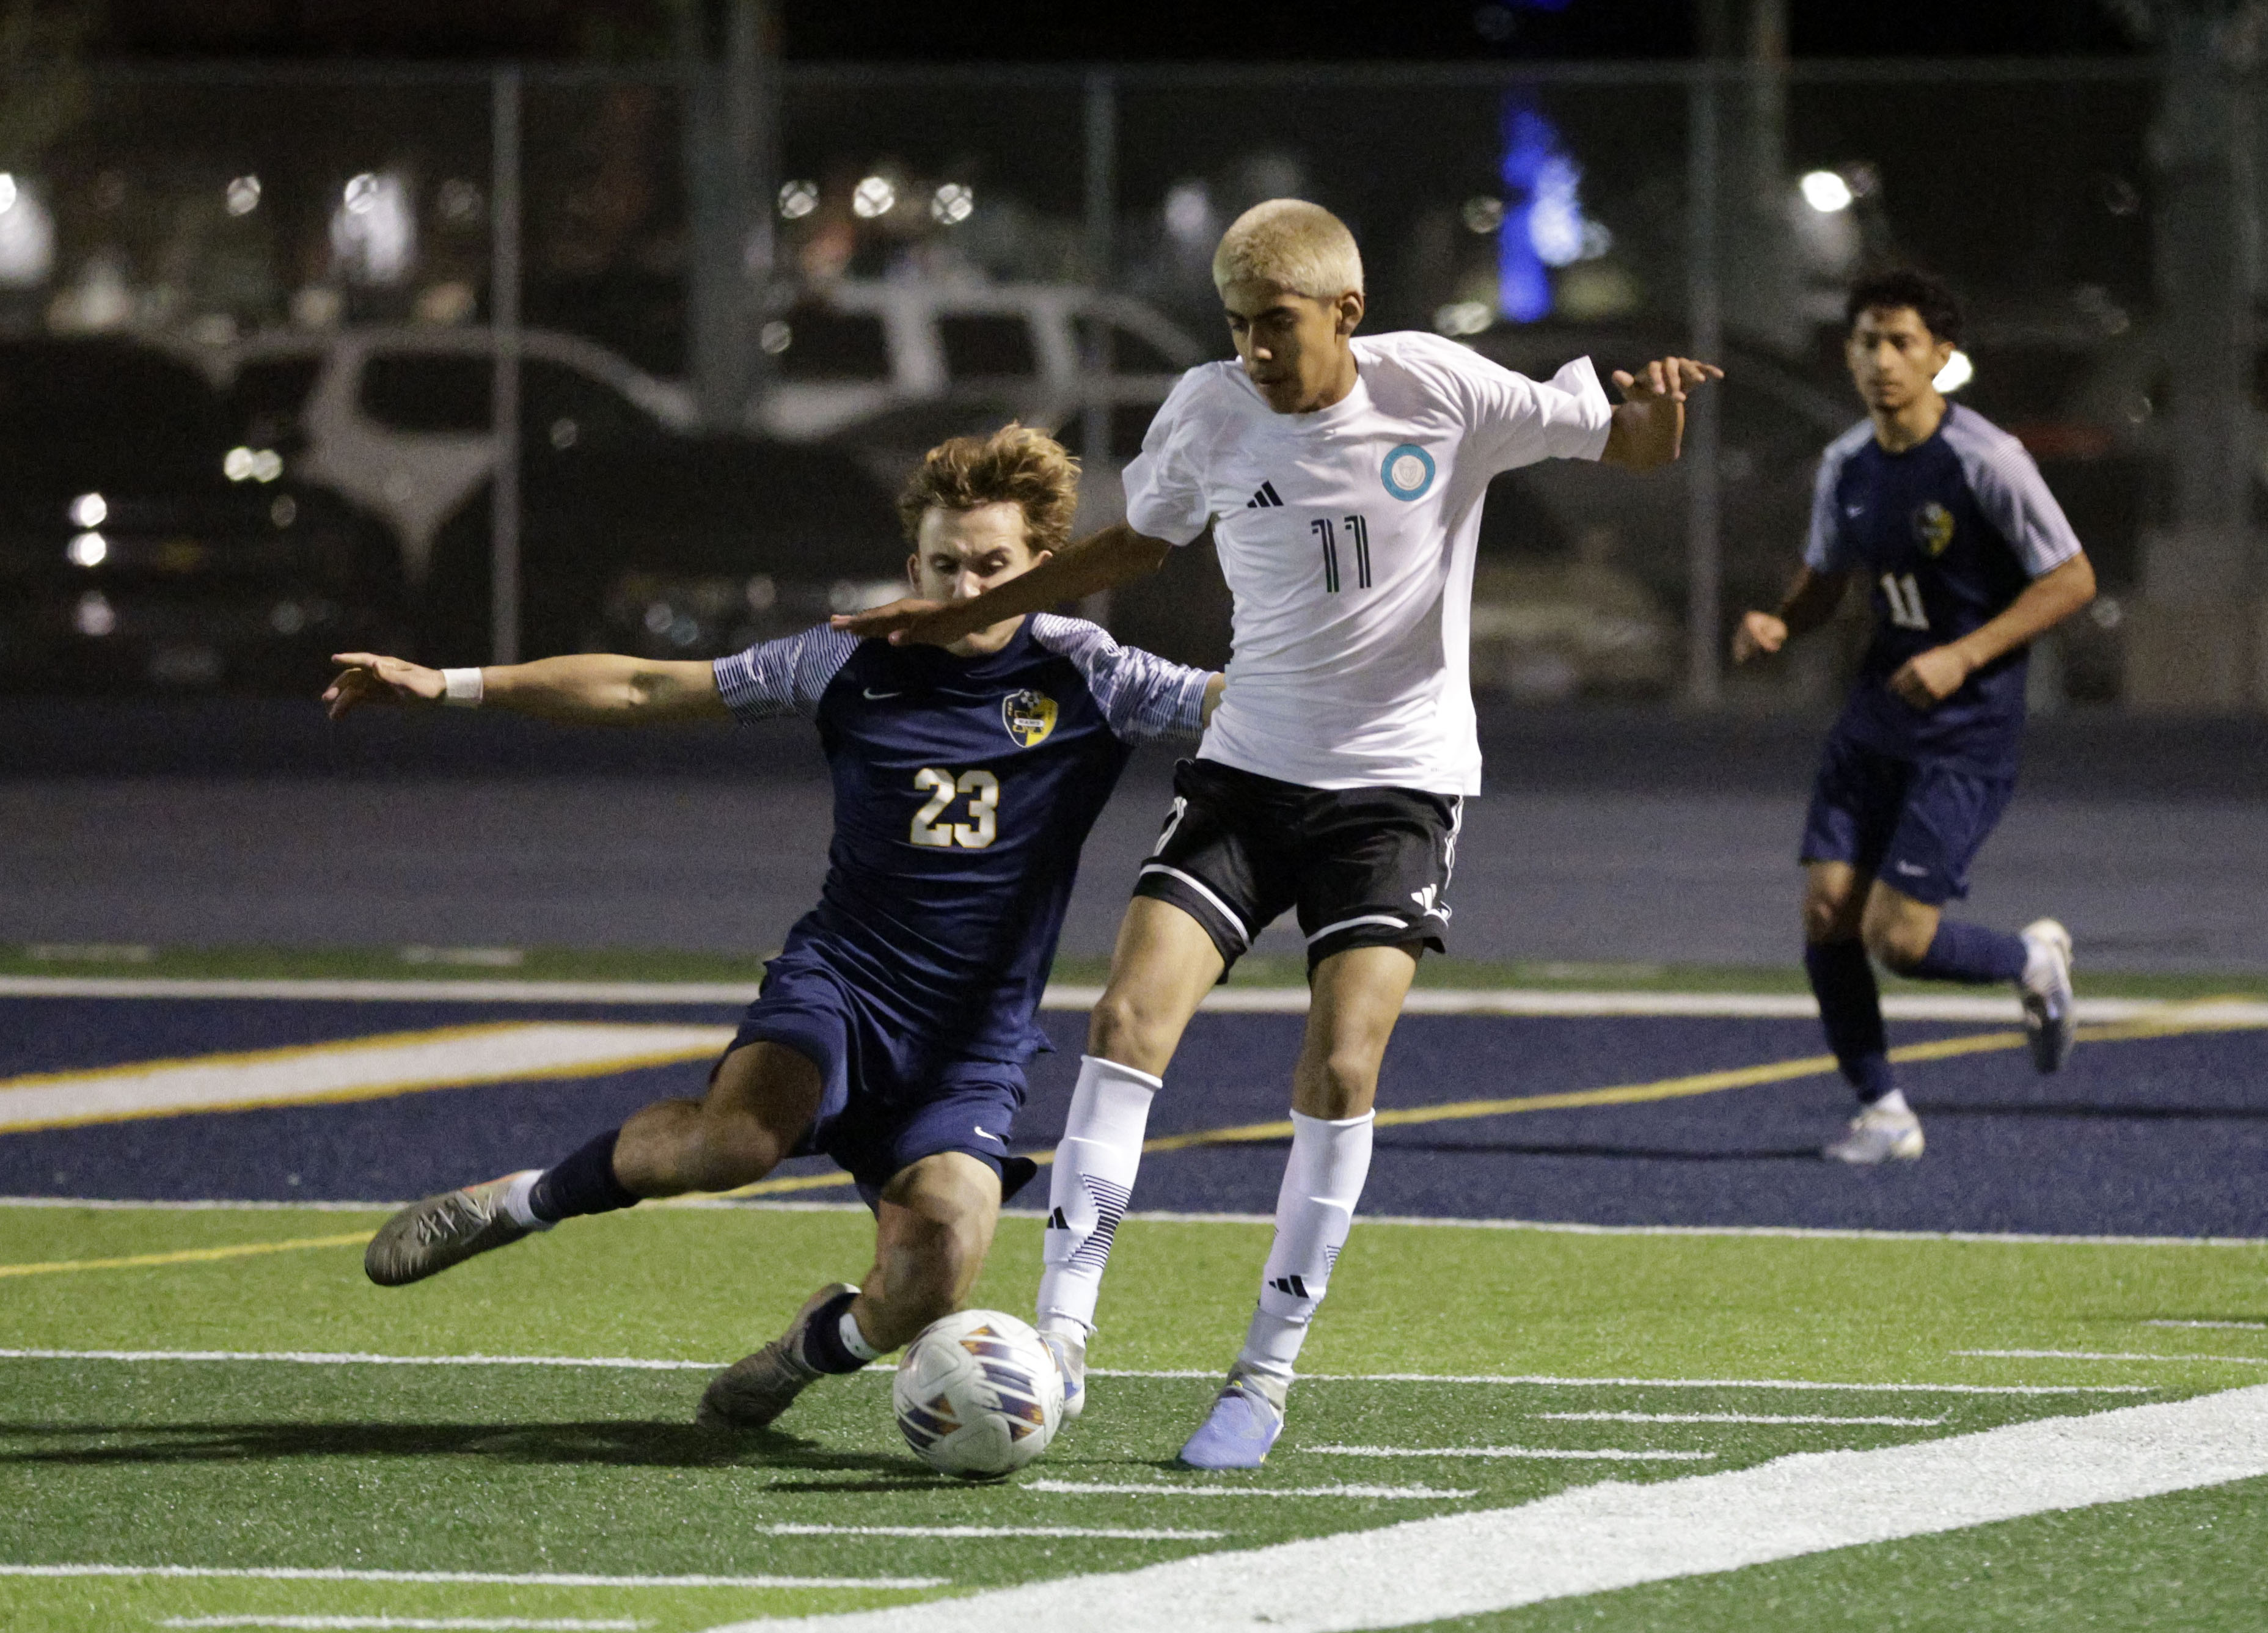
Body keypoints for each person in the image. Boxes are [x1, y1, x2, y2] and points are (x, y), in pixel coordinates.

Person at [836, 199, 1718, 1467]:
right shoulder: (1207, 408)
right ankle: (1065, 1340)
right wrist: (972, 617)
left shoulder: (1442, 389)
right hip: (1248, 771)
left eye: (1277, 326)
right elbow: (1135, 544)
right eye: (1239, 325)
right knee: (1126, 1022)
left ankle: (1260, 1377)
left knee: (1342, 1068)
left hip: (1397, 790)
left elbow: (1624, 444)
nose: (1254, 349)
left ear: (1348, 313)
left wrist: (1660, 412)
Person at [326, 424, 1220, 1431]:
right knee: (736, 1142)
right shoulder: (846, 659)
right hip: (843, 985)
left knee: (939, 1269)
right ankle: (519, 1201)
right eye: (946, 563)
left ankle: (806, 1350)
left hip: (973, 1045)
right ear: (910, 566)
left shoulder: (1092, 673)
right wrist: (451, 684)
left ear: (1041, 569)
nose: (967, 586)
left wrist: (1379, 691)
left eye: (994, 565)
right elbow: (648, 685)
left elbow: (1234, 704)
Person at [1732, 268, 2096, 1166]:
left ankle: (2030, 961)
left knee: (1900, 939)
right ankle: (1884, 1108)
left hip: (1966, 731)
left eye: (1902, 343)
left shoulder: (1987, 460)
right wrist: (1783, 617)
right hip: (1874, 715)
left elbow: (2073, 580)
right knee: (1827, 911)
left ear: (1941, 355)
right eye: (1867, 342)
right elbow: (1825, 582)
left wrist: (1965, 653)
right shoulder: (1847, 464)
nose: (1884, 360)